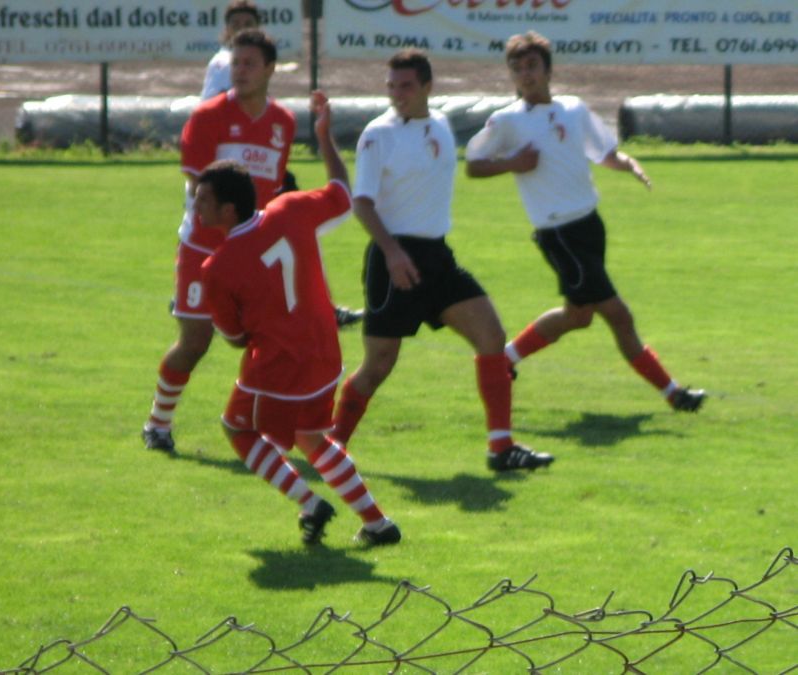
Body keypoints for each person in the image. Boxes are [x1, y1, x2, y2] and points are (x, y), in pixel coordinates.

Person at [332, 49, 553, 474]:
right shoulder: (378, 134)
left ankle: (500, 448)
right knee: (378, 365)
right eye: (392, 86)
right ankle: (330, 446)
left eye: (407, 85)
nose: (397, 94)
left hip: (437, 257)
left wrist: (512, 158)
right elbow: (361, 203)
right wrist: (393, 253)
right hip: (393, 259)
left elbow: (471, 166)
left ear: (428, 87)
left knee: (491, 335)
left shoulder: (441, 125)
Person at [465, 31, 706, 413]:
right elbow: (474, 166)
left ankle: (506, 359)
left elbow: (604, 152)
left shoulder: (573, 109)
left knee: (578, 316)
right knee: (618, 314)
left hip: (590, 225)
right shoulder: (507, 121)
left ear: (548, 70)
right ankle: (673, 393)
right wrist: (512, 163)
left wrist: (627, 164)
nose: (525, 74)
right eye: (517, 68)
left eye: (532, 66)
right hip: (557, 233)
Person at [200, 91, 401, 546]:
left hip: (279, 363)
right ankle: (377, 524)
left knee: (238, 429)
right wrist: (325, 136)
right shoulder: (289, 209)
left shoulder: (218, 267)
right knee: (313, 436)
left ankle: (311, 503)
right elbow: (343, 195)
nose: (196, 208)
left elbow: (234, 338)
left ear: (228, 211)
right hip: (326, 350)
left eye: (202, 201)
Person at [141, 29, 297, 454]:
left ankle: (257, 426)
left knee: (267, 342)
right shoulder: (207, 116)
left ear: (269, 69)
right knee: (195, 342)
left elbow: (274, 188)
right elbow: (198, 187)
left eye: (249, 64)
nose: (240, 72)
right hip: (203, 250)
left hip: (253, 253)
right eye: (235, 64)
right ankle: (158, 422)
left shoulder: (283, 122)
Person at [200, 0, 363, 327]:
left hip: (260, 196)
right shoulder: (219, 70)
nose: (240, 70)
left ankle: (319, 306)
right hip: (231, 189)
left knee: (296, 233)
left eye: (249, 22)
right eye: (237, 23)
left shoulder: (280, 120)